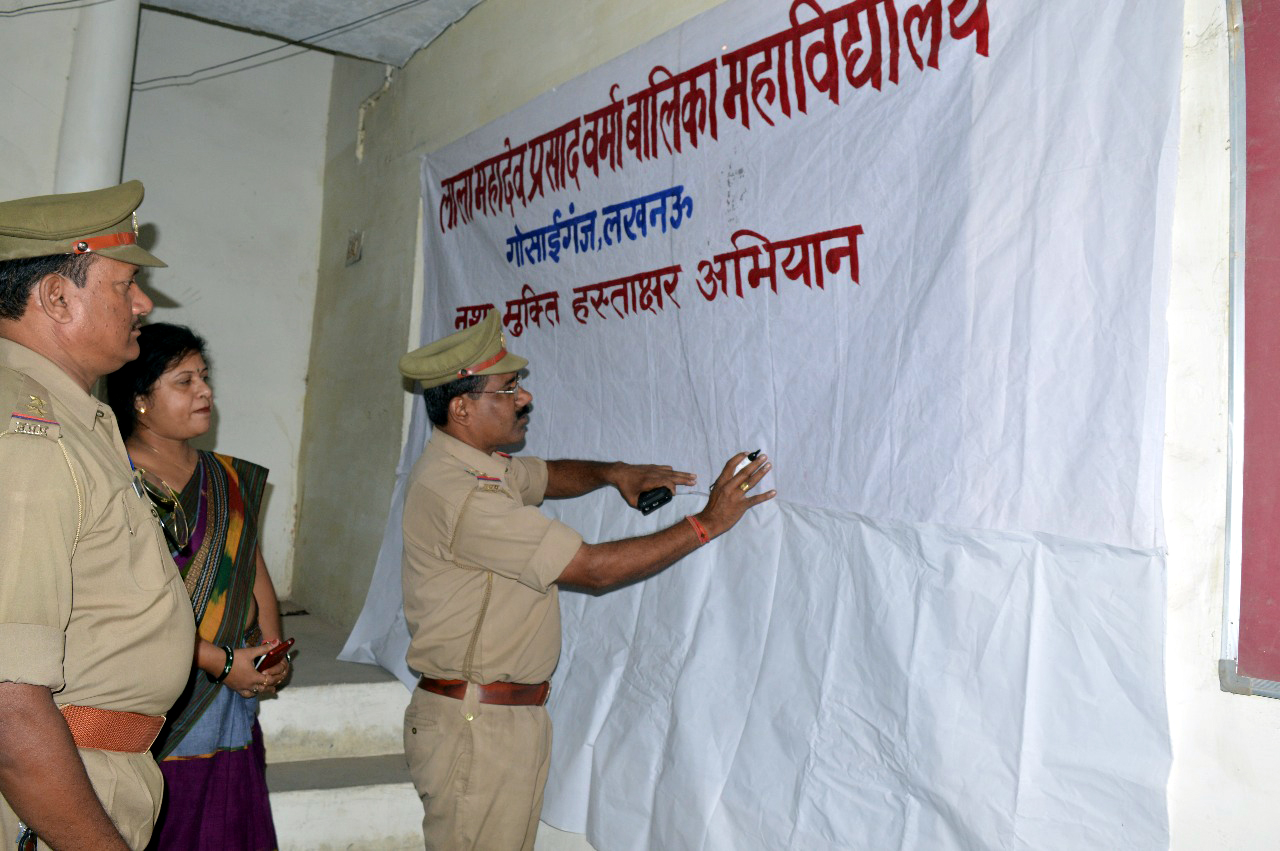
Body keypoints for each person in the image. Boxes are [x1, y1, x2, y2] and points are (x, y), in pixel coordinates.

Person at [398, 310, 775, 850]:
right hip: (477, 726)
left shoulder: (476, 465)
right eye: (508, 390)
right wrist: (706, 523)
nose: (524, 399)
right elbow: (594, 570)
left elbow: (546, 475)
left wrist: (612, 472)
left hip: (499, 718)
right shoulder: (463, 494)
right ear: (462, 407)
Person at [0, 182, 196, 849]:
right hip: (51, 794)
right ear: (57, 295)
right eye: (126, 285)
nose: (144, 304)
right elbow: (8, 703)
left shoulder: (73, 419)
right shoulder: (29, 435)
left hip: (87, 777)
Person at [106, 322, 286, 851]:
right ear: (139, 399)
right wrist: (221, 663)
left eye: (203, 377)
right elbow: (123, 611)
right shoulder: (116, 478)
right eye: (183, 381)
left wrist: (271, 652)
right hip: (163, 700)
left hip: (231, 703)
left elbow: (254, 571)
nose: (205, 391)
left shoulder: (225, 476)